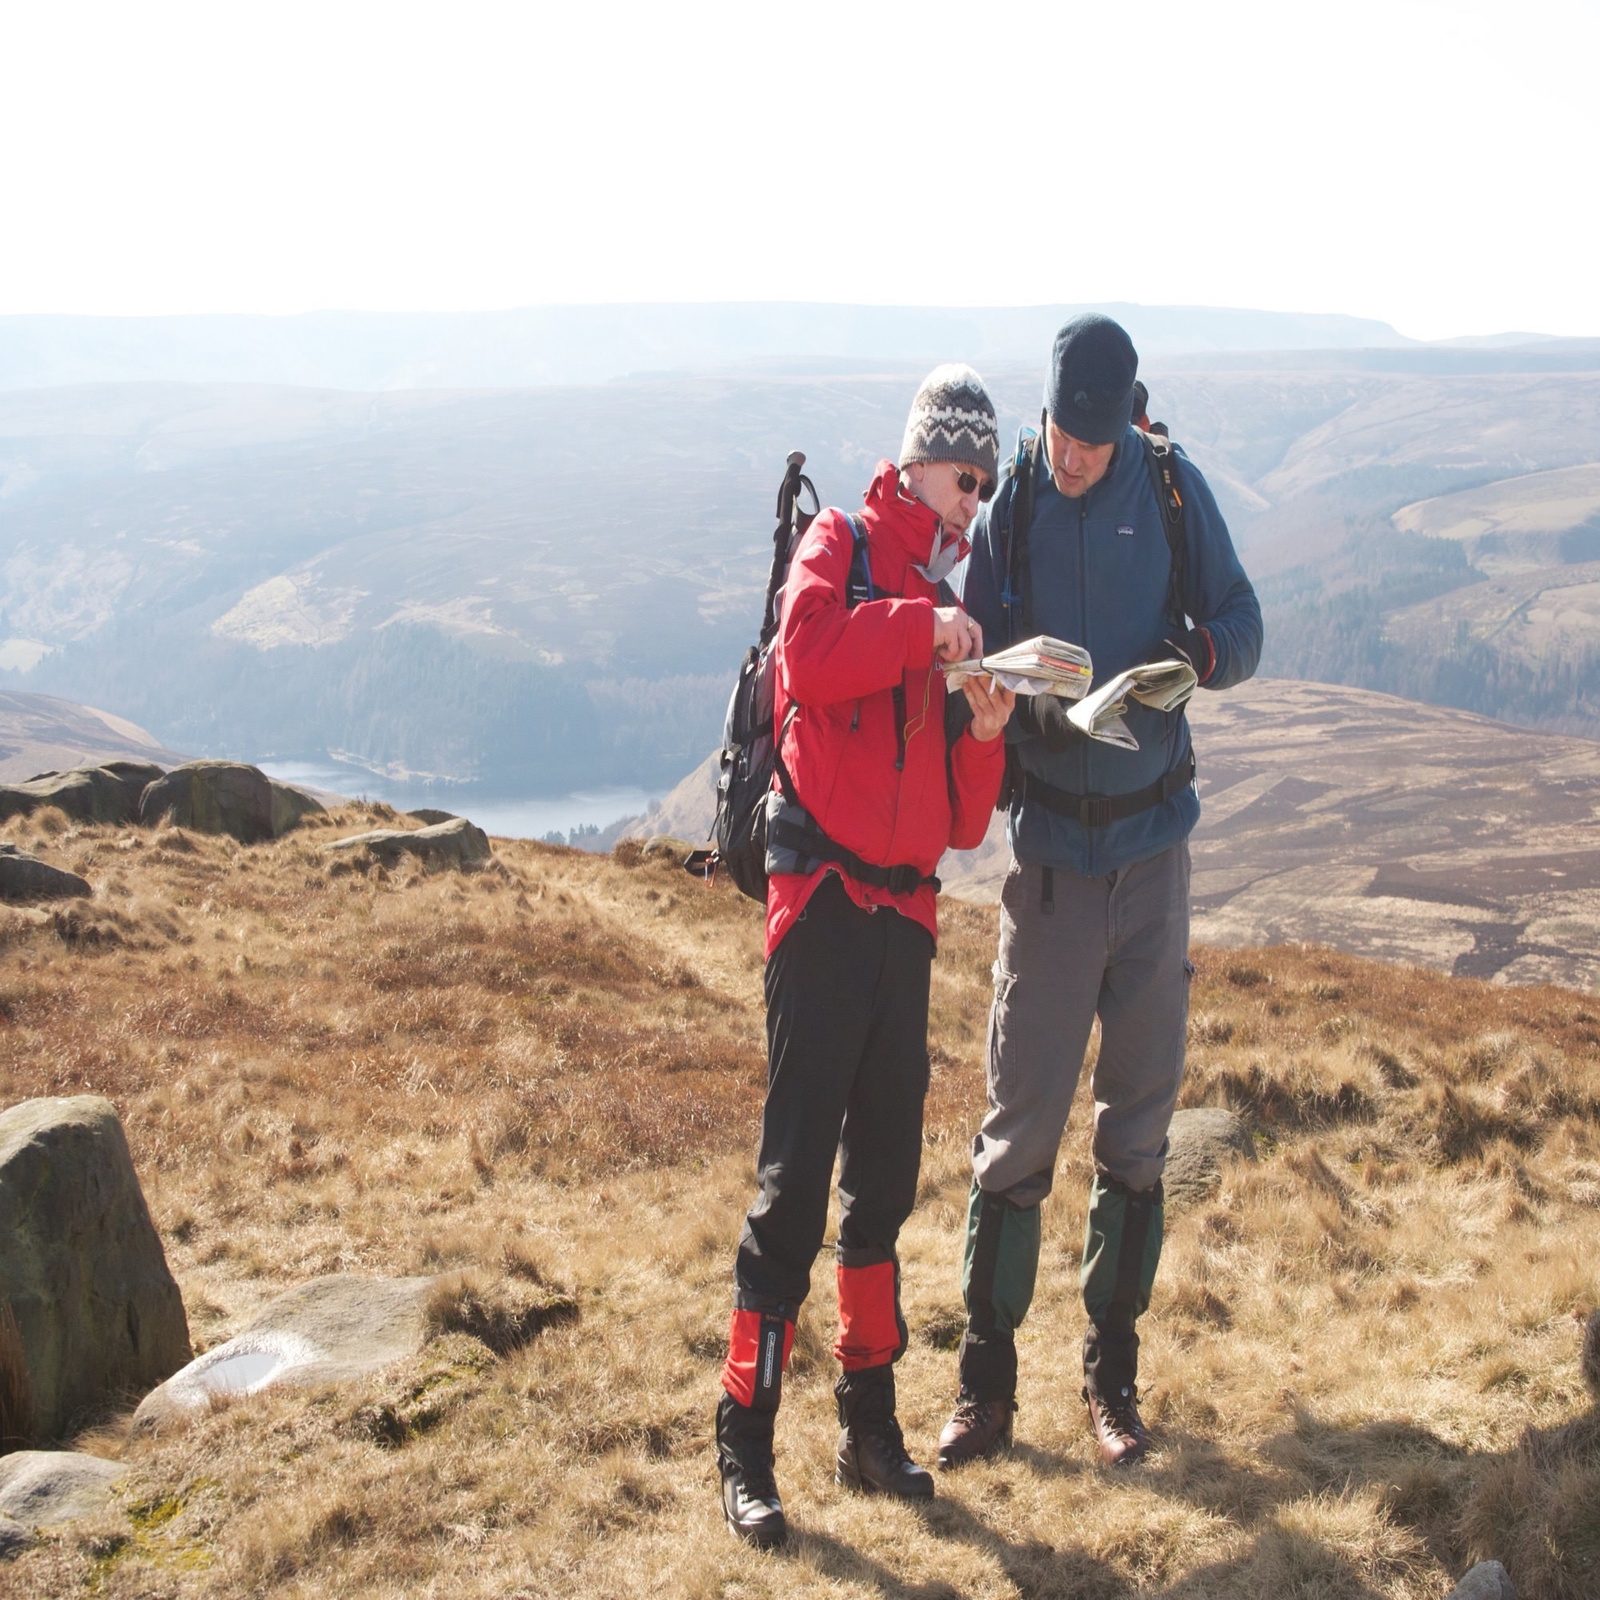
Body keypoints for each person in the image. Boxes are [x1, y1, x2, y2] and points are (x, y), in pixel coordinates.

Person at [938, 314, 1262, 1469]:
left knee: (1137, 1129)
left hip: (1152, 862)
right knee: (1019, 1125)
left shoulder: (1169, 489)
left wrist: (1193, 661)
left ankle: (1110, 1381)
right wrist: (985, 697)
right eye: (1057, 435)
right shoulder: (1015, 502)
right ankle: (984, 1387)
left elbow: (1243, 624)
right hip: (1050, 872)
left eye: (1090, 441)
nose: (1070, 456)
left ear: (1125, 420)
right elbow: (967, 652)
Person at [716, 366, 1017, 1547]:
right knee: (793, 1186)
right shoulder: (838, 544)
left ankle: (866, 1427)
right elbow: (807, 658)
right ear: (918, 460)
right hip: (821, 905)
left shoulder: (944, 605)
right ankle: (743, 1442)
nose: (971, 501)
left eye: (984, 485)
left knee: (881, 1189)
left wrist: (983, 732)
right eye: (962, 477)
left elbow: (960, 822)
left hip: (906, 918)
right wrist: (917, 629)